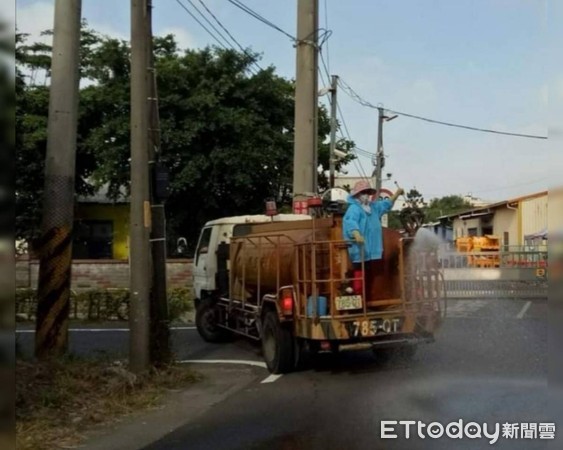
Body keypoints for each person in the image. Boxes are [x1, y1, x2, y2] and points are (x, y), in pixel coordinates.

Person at [342, 180, 404, 292]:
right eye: (363, 192)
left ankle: (365, 298)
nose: (366, 195)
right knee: (359, 273)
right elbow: (350, 222)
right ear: (357, 195)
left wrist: (396, 194)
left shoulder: (373, 208)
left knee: (368, 275)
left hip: (372, 250)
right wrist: (356, 234)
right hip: (359, 250)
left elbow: (385, 205)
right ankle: (357, 297)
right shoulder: (354, 209)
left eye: (367, 192)